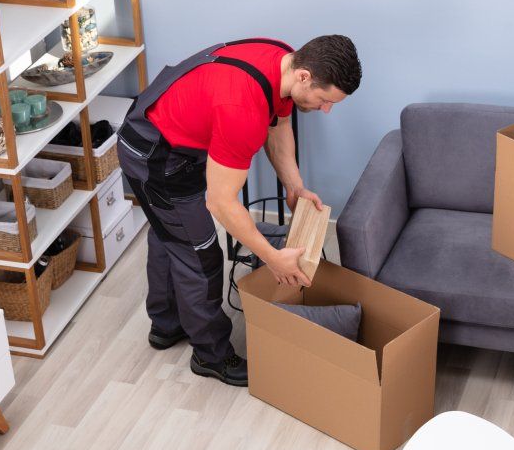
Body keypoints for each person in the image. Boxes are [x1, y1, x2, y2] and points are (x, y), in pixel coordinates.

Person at [116, 34, 362, 386]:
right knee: (200, 254)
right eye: (325, 100)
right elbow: (221, 202)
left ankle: (166, 324)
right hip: (156, 156)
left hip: (173, 134)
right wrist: (272, 258)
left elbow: (277, 126)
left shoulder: (282, 59)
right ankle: (211, 355)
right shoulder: (242, 110)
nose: (327, 110)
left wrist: (294, 186)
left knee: (171, 231)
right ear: (304, 76)